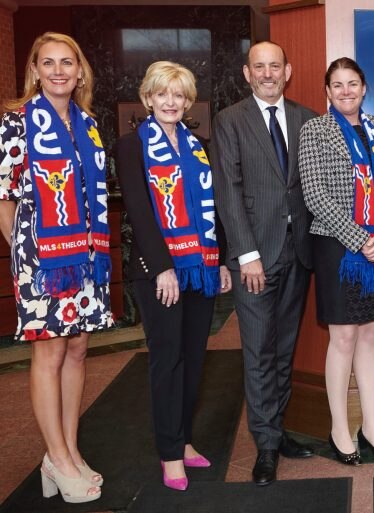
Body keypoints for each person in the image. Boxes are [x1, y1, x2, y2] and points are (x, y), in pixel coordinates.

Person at [0, 32, 112, 503]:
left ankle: (67, 451)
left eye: (67, 62)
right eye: (48, 63)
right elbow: (4, 196)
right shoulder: (16, 123)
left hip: (85, 253)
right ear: (35, 71)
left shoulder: (88, 124)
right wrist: (24, 253)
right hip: (41, 257)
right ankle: (58, 458)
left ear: (80, 71)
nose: (59, 71)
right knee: (49, 351)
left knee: (78, 349)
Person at [115, 61, 232, 491]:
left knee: (194, 358)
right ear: (148, 98)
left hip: (200, 267)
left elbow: (214, 206)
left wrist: (221, 260)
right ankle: (169, 452)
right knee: (167, 360)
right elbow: (139, 210)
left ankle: (183, 440)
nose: (170, 102)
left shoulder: (199, 147)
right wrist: (163, 266)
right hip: (158, 271)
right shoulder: (131, 146)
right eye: (162, 94)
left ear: (188, 101)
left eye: (178, 95)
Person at [210, 41, 317, 486]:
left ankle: (277, 429)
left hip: (299, 252)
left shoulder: (307, 119)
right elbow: (228, 190)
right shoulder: (230, 120)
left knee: (284, 347)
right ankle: (266, 445)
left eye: (275, 66)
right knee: (258, 351)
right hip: (255, 256)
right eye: (260, 66)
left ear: (287, 71)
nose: (268, 73)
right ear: (247, 73)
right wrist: (246, 254)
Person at [299, 57, 374, 466]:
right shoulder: (315, 130)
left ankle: (371, 427)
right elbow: (315, 194)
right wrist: (361, 240)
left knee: (370, 335)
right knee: (343, 337)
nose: (346, 91)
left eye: (353, 83)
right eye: (338, 85)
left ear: (364, 88)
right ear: (328, 92)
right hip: (337, 247)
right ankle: (339, 429)